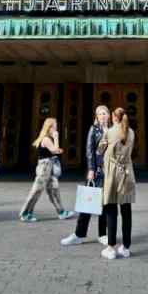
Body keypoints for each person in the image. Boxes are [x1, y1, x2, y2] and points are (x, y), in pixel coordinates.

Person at [61, 105, 110, 247]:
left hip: (110, 173)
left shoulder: (113, 130)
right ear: (96, 116)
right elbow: (90, 151)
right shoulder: (93, 130)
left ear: (108, 115)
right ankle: (78, 235)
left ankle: (103, 234)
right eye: (99, 114)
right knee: (88, 204)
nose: (102, 116)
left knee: (106, 205)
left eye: (104, 113)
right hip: (97, 172)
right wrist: (91, 169)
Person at [98, 107, 136, 260]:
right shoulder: (131, 132)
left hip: (112, 174)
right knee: (126, 211)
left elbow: (100, 150)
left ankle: (111, 248)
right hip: (127, 173)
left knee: (111, 210)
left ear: (114, 117)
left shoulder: (110, 131)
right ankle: (126, 247)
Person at [19, 117, 74, 222]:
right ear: (50, 127)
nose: (56, 128)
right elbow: (54, 151)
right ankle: (25, 213)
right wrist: (57, 138)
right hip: (45, 167)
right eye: (55, 126)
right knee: (37, 190)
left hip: (49, 166)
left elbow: (54, 151)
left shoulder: (46, 138)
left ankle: (61, 212)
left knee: (54, 190)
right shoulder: (46, 139)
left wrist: (56, 148)